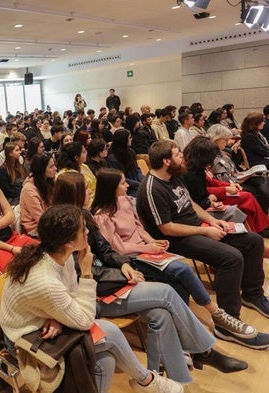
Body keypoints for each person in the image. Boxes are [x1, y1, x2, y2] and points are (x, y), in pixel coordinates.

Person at [52, 172, 248, 383]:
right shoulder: (64, 227)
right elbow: (82, 273)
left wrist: (124, 264)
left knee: (161, 314)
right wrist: (121, 271)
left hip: (109, 278)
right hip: (92, 295)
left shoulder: (85, 216)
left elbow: (105, 249)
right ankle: (207, 348)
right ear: (75, 193)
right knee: (167, 292)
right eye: (85, 188)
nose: (91, 190)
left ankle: (164, 376)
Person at [0, 204, 185, 393]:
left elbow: (71, 294)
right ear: (68, 242)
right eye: (82, 229)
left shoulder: (59, 257)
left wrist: (58, 318)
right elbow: (85, 320)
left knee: (105, 361)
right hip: (24, 339)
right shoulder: (46, 279)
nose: (88, 230)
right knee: (109, 332)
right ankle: (146, 381)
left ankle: (147, 381)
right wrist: (86, 273)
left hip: (42, 323)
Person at [91, 168, 256, 339]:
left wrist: (151, 241)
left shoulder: (124, 200)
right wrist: (147, 249)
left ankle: (186, 332)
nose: (127, 185)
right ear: (111, 188)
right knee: (182, 270)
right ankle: (216, 313)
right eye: (123, 183)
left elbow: (138, 228)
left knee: (179, 281)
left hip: (145, 249)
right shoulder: (102, 216)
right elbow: (119, 249)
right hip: (130, 259)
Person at [136, 139, 269, 349]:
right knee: (231, 257)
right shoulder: (152, 188)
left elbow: (191, 203)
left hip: (196, 228)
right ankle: (226, 322)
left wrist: (212, 220)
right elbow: (167, 228)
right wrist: (205, 230)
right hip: (175, 239)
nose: (183, 157)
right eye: (178, 154)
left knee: (253, 241)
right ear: (166, 160)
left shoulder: (174, 176)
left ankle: (253, 294)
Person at [183, 136, 269, 234]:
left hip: (211, 196)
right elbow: (199, 198)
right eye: (224, 139)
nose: (227, 142)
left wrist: (227, 186)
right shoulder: (191, 173)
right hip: (206, 203)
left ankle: (258, 230)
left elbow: (210, 182)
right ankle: (255, 233)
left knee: (251, 193)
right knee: (243, 201)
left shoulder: (198, 167)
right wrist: (222, 191)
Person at [208, 124, 269, 213]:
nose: (228, 142)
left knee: (261, 180)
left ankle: (263, 213)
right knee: (258, 189)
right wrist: (241, 178)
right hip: (231, 185)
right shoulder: (212, 156)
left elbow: (233, 170)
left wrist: (244, 174)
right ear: (216, 140)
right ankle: (261, 216)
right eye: (225, 140)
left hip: (236, 179)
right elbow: (223, 181)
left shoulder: (221, 152)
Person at [19, 153, 56, 237]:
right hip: (34, 228)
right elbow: (41, 220)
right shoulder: (29, 190)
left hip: (49, 221)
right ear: (41, 170)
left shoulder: (48, 181)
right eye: (51, 167)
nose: (55, 169)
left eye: (54, 165)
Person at [107, 129, 143, 197]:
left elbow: (137, 168)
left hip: (137, 183)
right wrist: (138, 183)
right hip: (126, 188)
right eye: (129, 137)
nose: (131, 139)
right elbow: (119, 177)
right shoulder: (112, 158)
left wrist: (142, 179)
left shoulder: (131, 151)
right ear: (123, 140)